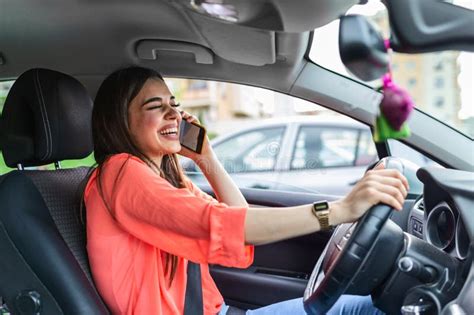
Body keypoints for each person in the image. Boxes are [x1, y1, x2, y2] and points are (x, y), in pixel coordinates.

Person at [84, 66, 409, 315]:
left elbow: (237, 217)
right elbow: (228, 226)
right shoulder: (122, 171)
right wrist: (338, 211)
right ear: (120, 121)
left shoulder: (163, 175)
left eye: (174, 103)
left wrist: (205, 157)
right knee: (373, 306)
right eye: (154, 106)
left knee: (370, 304)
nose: (173, 113)